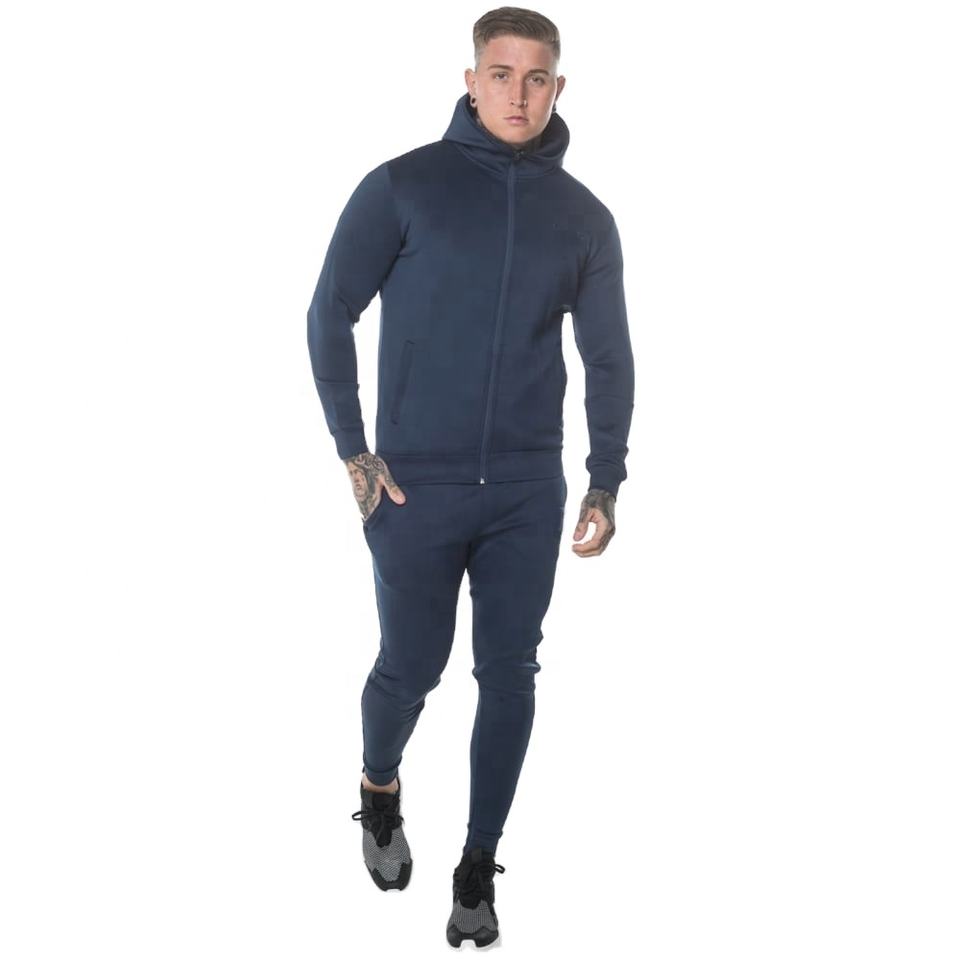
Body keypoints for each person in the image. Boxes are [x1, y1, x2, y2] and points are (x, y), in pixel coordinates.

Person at [307, 6, 634, 947]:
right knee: (411, 667)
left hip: (527, 489)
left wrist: (604, 477)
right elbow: (329, 313)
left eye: (536, 78)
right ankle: (379, 786)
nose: (517, 94)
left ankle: (478, 862)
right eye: (501, 74)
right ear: (470, 80)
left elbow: (608, 357)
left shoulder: (585, 219)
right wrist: (355, 450)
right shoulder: (403, 185)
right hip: (415, 485)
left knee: (511, 673)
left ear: (558, 88)